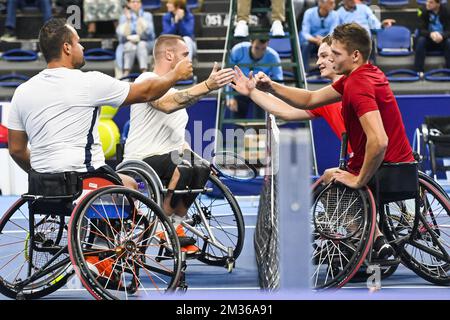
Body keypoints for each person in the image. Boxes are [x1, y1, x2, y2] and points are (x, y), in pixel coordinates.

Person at [232, 23, 416, 259]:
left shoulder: (357, 85)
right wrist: (263, 89)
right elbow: (306, 101)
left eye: (331, 55)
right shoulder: (360, 77)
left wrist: (359, 179)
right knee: (332, 177)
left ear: (354, 55)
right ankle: (371, 239)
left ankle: (368, 240)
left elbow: (379, 141)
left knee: (331, 181)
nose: (322, 61)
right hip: (393, 164)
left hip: (381, 166)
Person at [7, 18, 192, 190]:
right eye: (78, 42)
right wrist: (175, 74)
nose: (83, 47)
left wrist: (45, 175)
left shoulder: (22, 91)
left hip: (44, 184)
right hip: (85, 180)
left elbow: (16, 150)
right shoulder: (89, 82)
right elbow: (146, 92)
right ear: (67, 48)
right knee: (130, 185)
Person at [123, 34, 235, 253]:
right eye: (185, 54)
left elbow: (178, 139)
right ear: (169, 54)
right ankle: (161, 226)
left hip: (169, 157)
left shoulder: (176, 93)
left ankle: (175, 225)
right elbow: (165, 104)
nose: (189, 59)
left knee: (200, 167)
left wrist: (199, 157)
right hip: (141, 160)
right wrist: (207, 85)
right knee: (183, 165)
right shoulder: (146, 80)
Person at [241, 35, 351, 154]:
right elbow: (287, 111)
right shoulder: (325, 99)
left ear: (340, 55)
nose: (318, 62)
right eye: (318, 57)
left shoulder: (358, 86)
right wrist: (251, 91)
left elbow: (374, 141)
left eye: (324, 56)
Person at [227, 39, 283, 120]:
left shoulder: (273, 56)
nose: (259, 52)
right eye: (256, 48)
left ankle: (259, 130)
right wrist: (230, 97)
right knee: (237, 123)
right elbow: (229, 74)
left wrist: (276, 100)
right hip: (239, 87)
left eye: (263, 49)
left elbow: (278, 80)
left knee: (260, 124)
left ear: (267, 44)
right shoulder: (238, 50)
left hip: (260, 89)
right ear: (251, 42)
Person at [116, 0, 156, 76]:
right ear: (128, 4)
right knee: (129, 45)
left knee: (141, 44)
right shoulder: (123, 17)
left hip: (146, 42)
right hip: (128, 43)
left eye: (138, 2)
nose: (135, 4)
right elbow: (121, 38)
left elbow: (151, 35)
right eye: (133, 2)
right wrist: (127, 21)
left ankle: (144, 72)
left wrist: (140, 19)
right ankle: (126, 73)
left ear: (141, 4)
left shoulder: (147, 15)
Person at [300, 0, 339, 72]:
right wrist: (316, 40)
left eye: (333, 3)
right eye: (330, 3)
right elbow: (305, 33)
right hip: (311, 41)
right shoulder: (309, 12)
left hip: (326, 41)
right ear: (321, 3)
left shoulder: (335, 14)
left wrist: (323, 40)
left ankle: (331, 71)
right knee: (305, 44)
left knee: (335, 44)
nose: (333, 5)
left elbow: (333, 33)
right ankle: (304, 71)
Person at [414, 0, 450, 74]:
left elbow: (449, 30)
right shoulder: (423, 11)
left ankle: (448, 70)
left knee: (449, 42)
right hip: (429, 39)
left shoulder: (446, 12)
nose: (427, 4)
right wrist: (430, 34)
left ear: (438, 4)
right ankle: (419, 70)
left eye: (431, 2)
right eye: (427, 2)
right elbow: (421, 30)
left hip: (442, 40)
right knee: (421, 40)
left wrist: (442, 36)